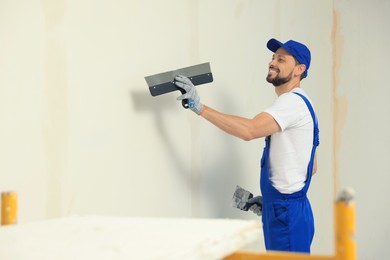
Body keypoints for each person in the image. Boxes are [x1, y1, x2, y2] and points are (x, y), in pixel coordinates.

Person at [174, 38, 319, 253]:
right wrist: (272, 200)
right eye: (272, 57)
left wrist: (199, 107)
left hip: (286, 214)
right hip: (292, 210)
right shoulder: (303, 102)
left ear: (299, 69)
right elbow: (312, 165)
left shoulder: (291, 103)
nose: (272, 62)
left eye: (281, 59)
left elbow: (249, 130)